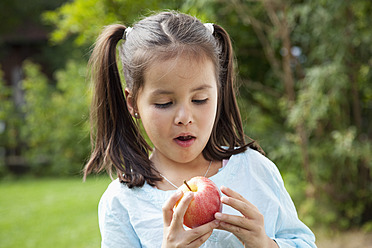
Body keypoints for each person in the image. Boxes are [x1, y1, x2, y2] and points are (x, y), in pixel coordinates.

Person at [84, 11, 317, 248]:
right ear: (133, 103)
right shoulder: (123, 202)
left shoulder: (255, 170)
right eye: (164, 103)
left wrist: (267, 245)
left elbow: (304, 243)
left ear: (218, 93)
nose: (184, 118)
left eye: (200, 99)